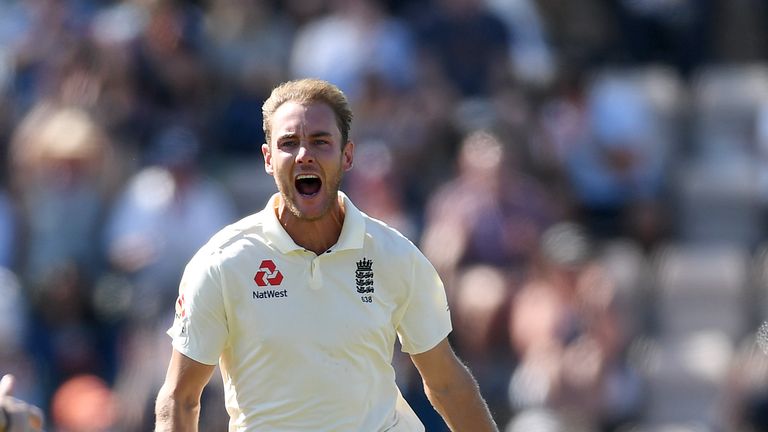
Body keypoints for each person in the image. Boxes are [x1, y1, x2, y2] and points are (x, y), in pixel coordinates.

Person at [154, 78, 498, 431]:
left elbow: (447, 384)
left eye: (320, 141)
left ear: (347, 155)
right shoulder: (222, 263)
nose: (305, 154)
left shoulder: (395, 255)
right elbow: (180, 398)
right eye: (289, 143)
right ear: (268, 159)